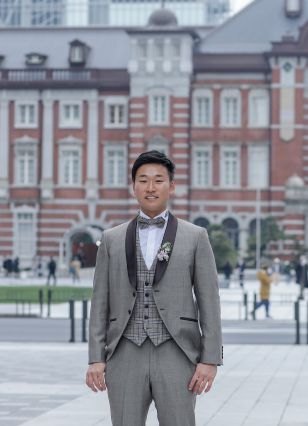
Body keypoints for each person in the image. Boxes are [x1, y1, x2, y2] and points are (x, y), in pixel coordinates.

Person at [86, 150, 223, 425]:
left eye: (158, 180)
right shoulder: (111, 239)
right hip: (124, 353)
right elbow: (100, 301)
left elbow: (209, 300)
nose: (151, 187)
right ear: (134, 187)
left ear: (171, 187)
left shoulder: (195, 236)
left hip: (177, 353)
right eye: (143, 180)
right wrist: (95, 358)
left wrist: (210, 359)